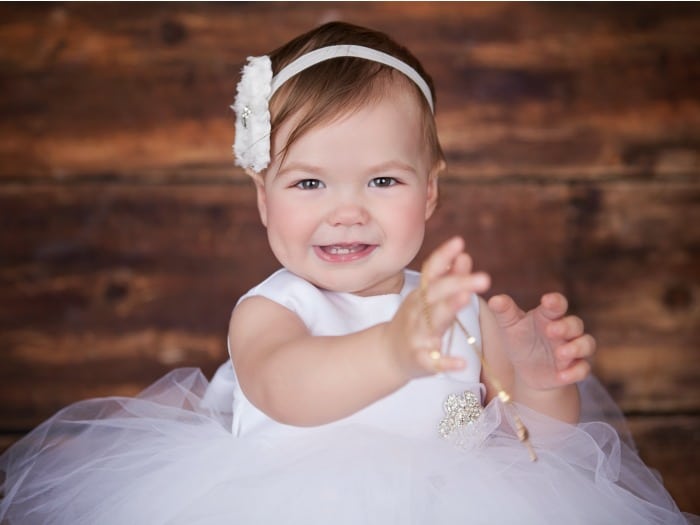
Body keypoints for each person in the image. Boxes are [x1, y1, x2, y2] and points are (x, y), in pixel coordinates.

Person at [0, 21, 695, 525]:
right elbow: (288, 387)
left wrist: (540, 387)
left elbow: (536, 449)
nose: (347, 211)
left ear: (429, 190)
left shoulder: (459, 310)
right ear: (262, 198)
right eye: (309, 183)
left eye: (383, 180)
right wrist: (392, 351)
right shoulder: (274, 311)